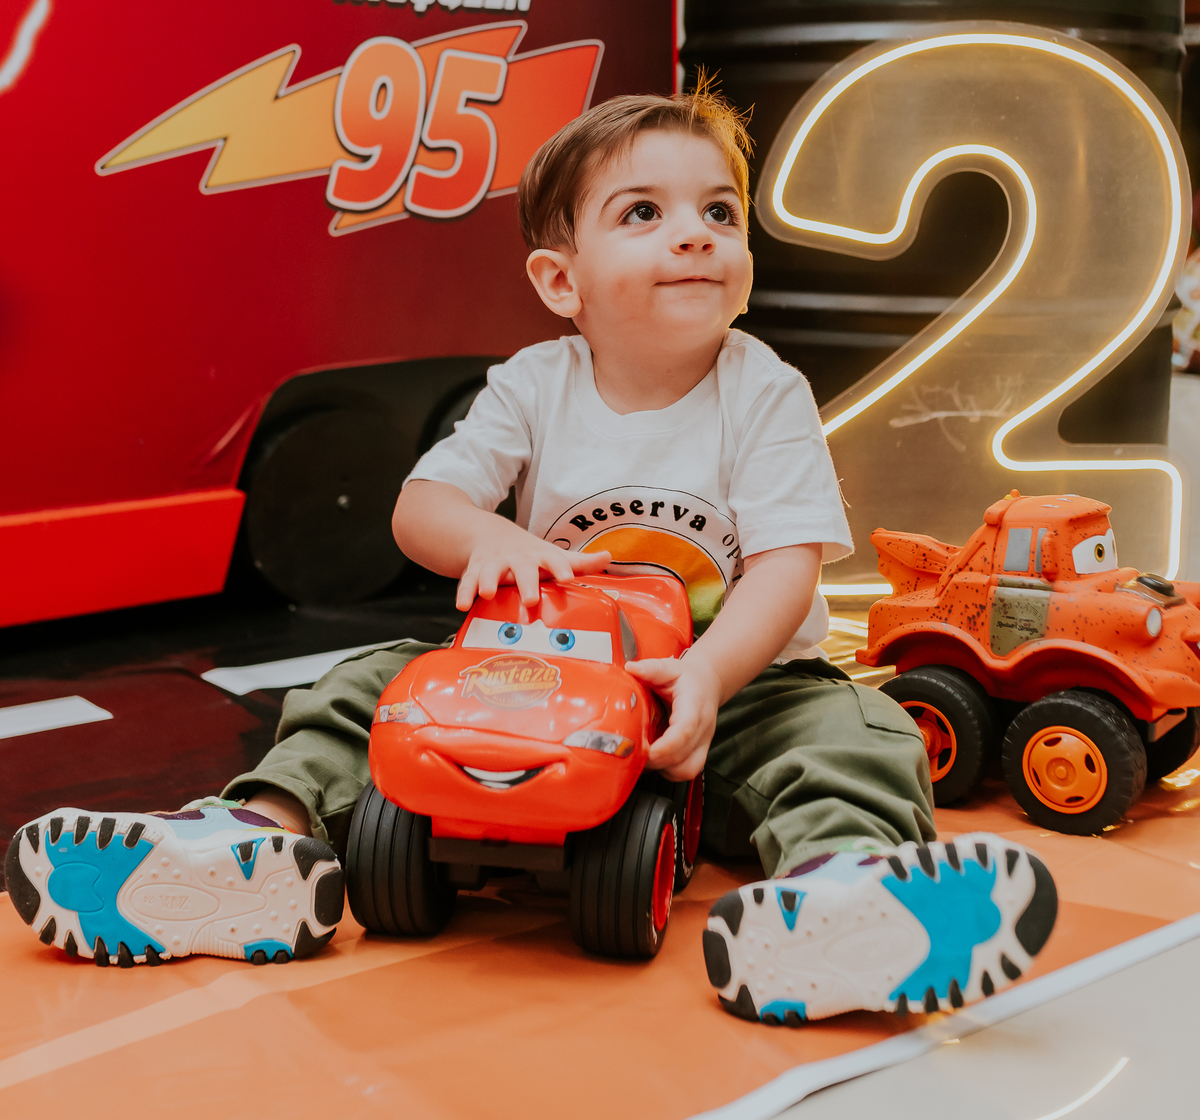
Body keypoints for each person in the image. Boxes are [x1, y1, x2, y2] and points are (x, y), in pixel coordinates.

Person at [5, 85, 1057, 1021]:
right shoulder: (532, 384)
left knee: (858, 726)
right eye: (644, 213)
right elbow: (421, 507)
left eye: (719, 213)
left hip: (723, 689)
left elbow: (785, 565)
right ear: (563, 281)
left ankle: (845, 895)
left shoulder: (762, 387)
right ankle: (252, 847)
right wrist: (492, 534)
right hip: (539, 675)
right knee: (363, 689)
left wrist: (709, 672)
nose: (693, 235)